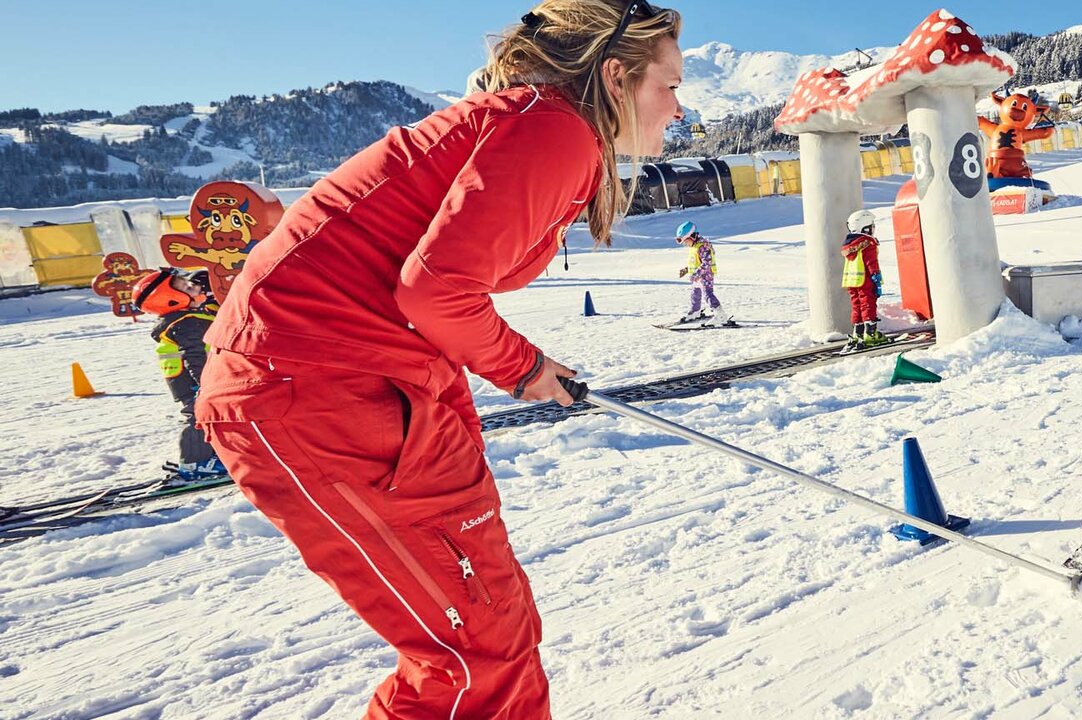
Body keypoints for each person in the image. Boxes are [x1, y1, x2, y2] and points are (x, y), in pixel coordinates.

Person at [192, 2, 684, 717]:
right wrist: (524, 368)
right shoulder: (553, 131)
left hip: (366, 381)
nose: (676, 105)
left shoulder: (536, 125)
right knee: (474, 655)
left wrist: (462, 419)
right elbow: (437, 292)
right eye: (667, 83)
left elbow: (422, 301)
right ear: (615, 77)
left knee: (492, 632)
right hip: (313, 386)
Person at [132, 267, 226, 480]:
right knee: (198, 415)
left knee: (212, 416)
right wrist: (205, 382)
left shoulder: (187, 318)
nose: (193, 288)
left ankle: (211, 456)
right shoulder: (184, 323)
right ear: (171, 298)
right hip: (192, 380)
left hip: (195, 379)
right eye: (187, 287)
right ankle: (193, 463)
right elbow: (193, 354)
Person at [840, 209, 886, 348]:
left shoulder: (850, 244)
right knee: (868, 304)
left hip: (851, 282)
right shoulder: (867, 243)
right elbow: (871, 262)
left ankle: (858, 333)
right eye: (872, 226)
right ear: (865, 227)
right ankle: (870, 334)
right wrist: (876, 277)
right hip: (865, 280)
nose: (873, 229)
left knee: (857, 306)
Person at [673, 220, 722, 323]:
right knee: (695, 294)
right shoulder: (694, 246)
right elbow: (695, 262)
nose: (686, 244)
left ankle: (720, 314)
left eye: (686, 241)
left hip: (706, 275)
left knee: (707, 294)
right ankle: (695, 312)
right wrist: (687, 270)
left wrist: (696, 273)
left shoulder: (703, 246)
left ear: (693, 236)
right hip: (697, 276)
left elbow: (706, 263)